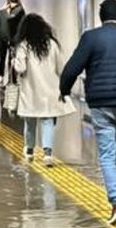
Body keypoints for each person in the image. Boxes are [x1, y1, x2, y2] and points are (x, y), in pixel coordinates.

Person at [59, 0, 116, 225]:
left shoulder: (91, 37)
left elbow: (72, 67)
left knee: (107, 154)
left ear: (101, 17)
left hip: (101, 103)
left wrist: (64, 90)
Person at [12, 14, 76, 166]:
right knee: (47, 120)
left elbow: (21, 68)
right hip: (49, 90)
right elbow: (61, 68)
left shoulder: (23, 46)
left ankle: (29, 151)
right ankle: (47, 154)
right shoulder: (52, 45)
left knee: (30, 121)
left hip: (30, 91)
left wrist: (14, 60)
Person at [0, 0, 25, 85]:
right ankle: (1, 75)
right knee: (2, 58)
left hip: (14, 39)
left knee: (12, 58)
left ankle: (12, 78)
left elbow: (11, 20)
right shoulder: (1, 12)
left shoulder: (19, 11)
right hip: (2, 38)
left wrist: (5, 11)